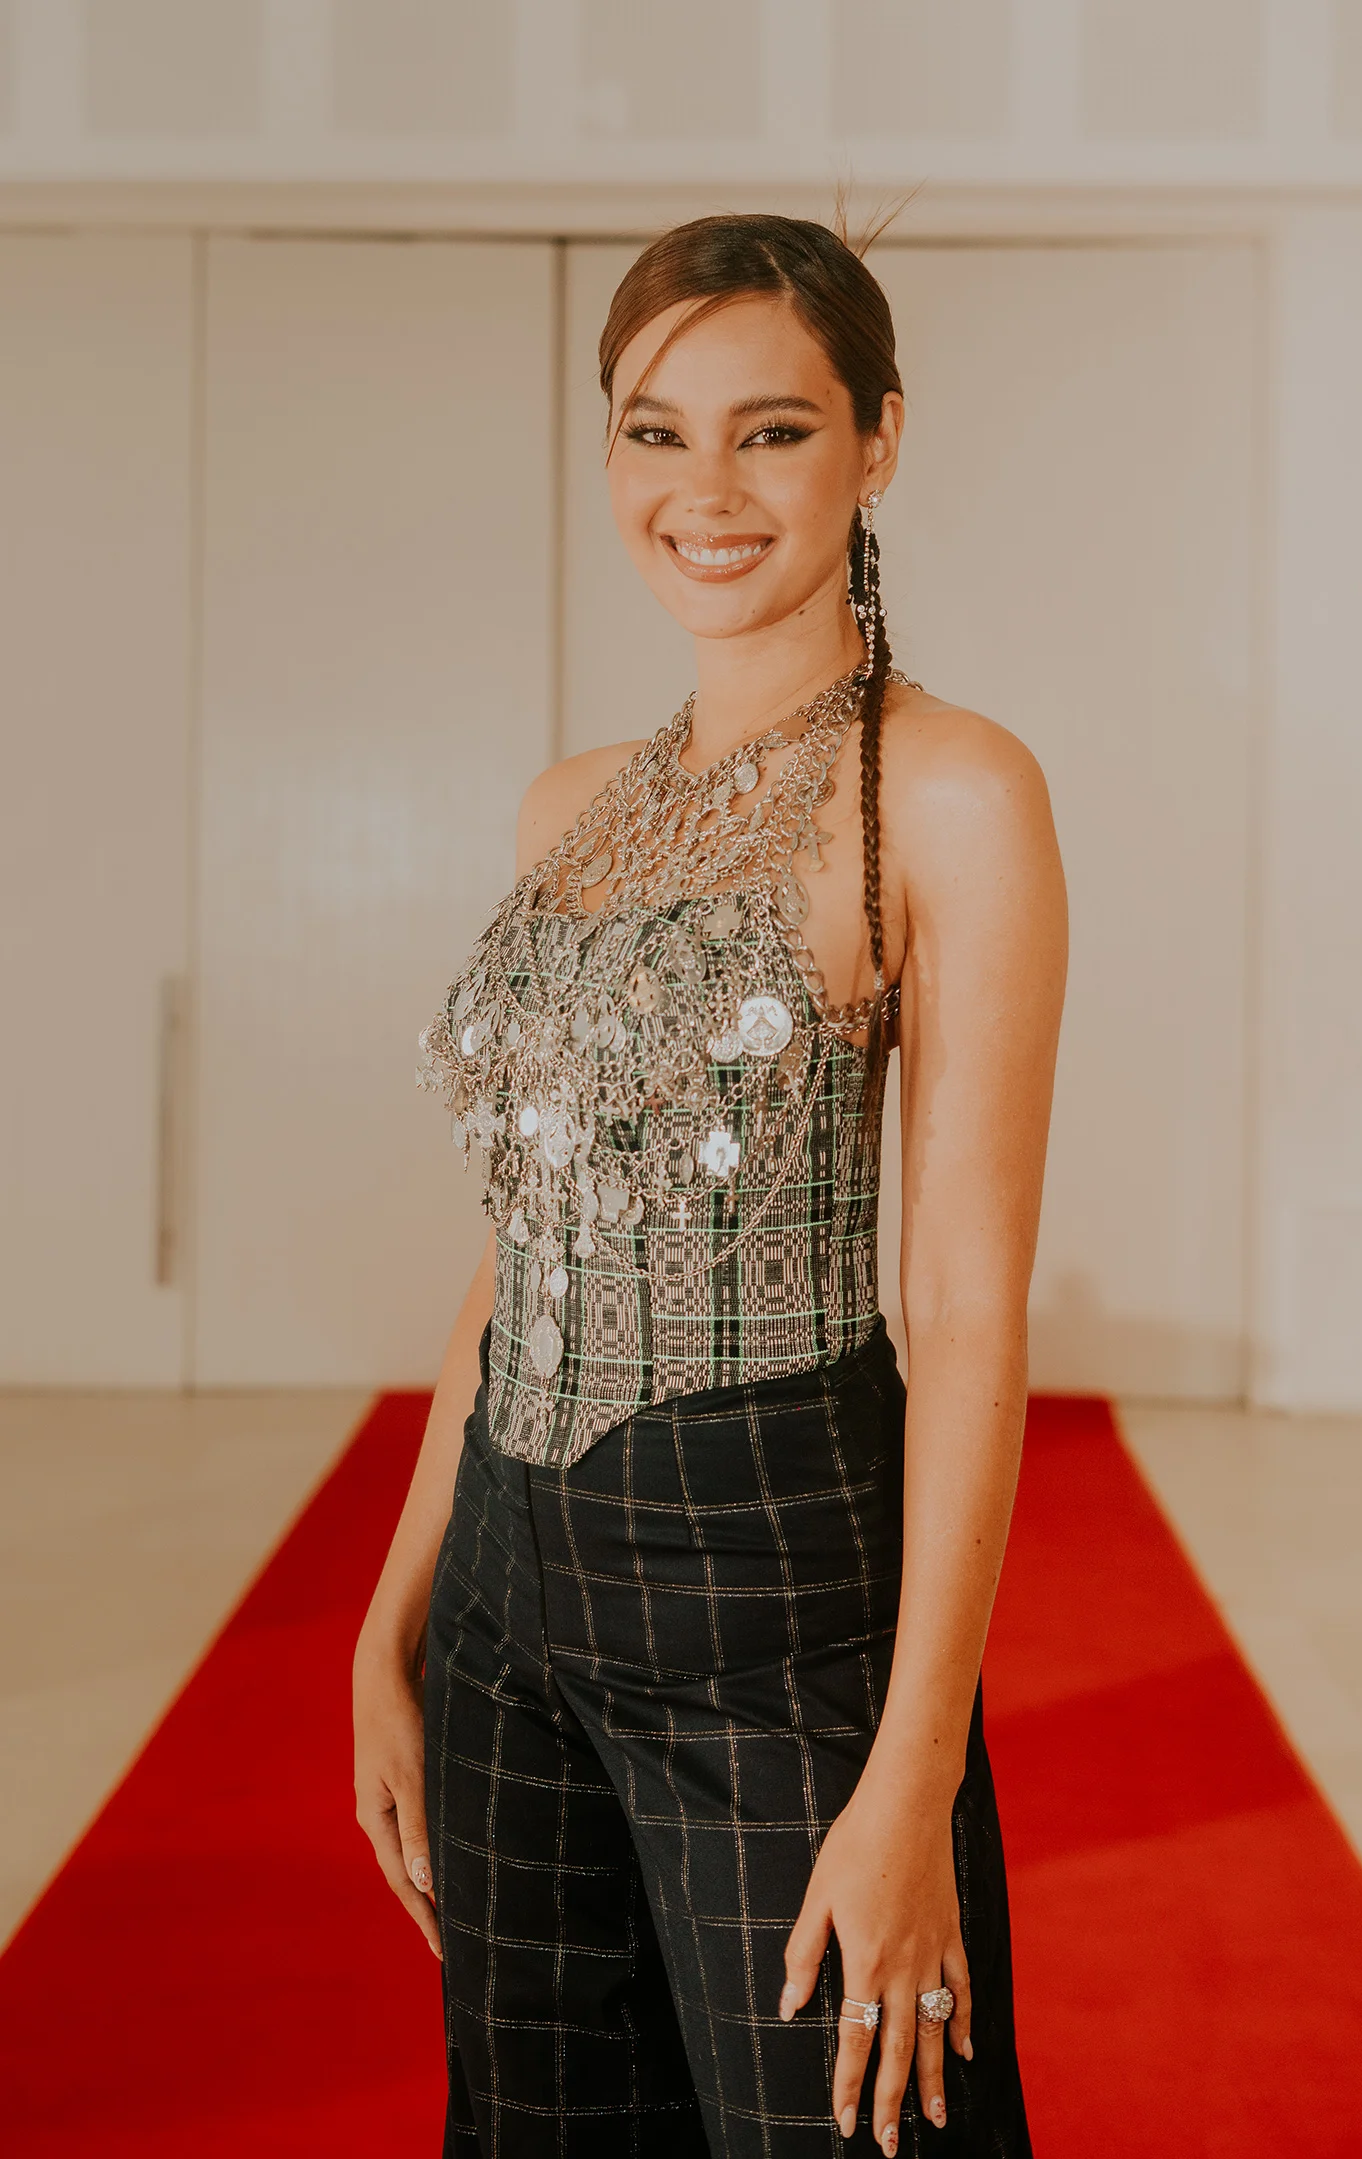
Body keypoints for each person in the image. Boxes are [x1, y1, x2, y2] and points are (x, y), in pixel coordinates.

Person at [354, 212, 1066, 2158]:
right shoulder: (570, 805)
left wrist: (916, 1773)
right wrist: (394, 1612)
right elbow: (522, 1247)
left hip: (773, 1578)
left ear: (878, 439)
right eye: (656, 432)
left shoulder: (952, 790)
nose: (708, 490)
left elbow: (969, 1306)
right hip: (504, 1594)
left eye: (774, 430)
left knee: (849, 2124)